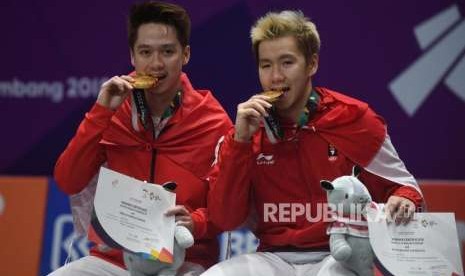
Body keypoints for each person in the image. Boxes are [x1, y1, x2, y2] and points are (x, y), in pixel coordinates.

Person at [203, 10, 424, 276]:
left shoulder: (353, 119)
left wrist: (404, 198)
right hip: (272, 258)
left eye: (287, 63)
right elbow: (224, 218)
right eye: (266, 65)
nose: (275, 77)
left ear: (312, 64)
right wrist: (240, 142)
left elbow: (404, 187)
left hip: (340, 255)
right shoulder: (246, 130)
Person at [50, 1, 232, 275]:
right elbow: (68, 180)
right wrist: (101, 112)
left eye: (168, 52)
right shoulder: (114, 109)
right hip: (114, 261)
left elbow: (228, 210)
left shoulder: (212, 121)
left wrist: (197, 221)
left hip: (185, 262)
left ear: (186, 55)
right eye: (145, 52)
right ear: (133, 57)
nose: (156, 64)